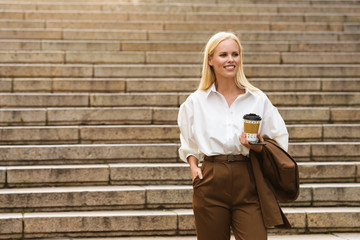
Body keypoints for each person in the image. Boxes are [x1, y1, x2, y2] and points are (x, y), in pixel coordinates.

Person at [177, 32, 289, 240]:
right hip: (211, 179)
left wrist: (256, 145)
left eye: (235, 54)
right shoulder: (196, 102)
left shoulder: (257, 99)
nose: (230, 60)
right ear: (210, 60)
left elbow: (279, 139)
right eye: (223, 55)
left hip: (247, 178)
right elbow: (188, 141)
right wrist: (193, 166)